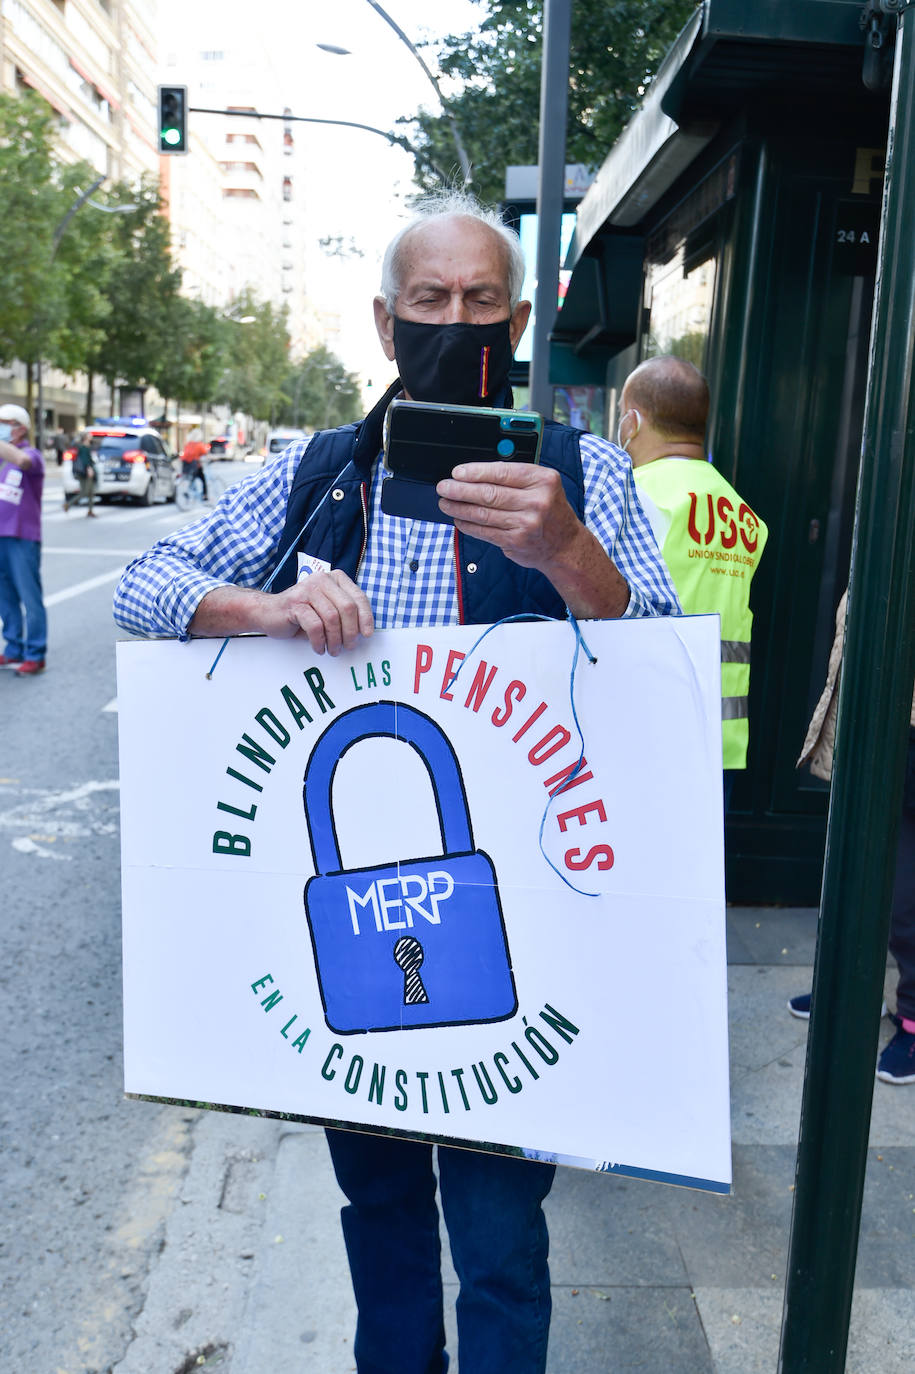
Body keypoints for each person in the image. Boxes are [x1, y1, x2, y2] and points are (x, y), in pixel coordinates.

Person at [114, 190, 681, 1374]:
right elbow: (145, 584)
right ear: (386, 322)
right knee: (378, 1213)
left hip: (515, 933)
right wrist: (263, 608)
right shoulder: (321, 476)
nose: (455, 321)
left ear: (517, 323)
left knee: (500, 1235)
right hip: (350, 926)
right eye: (430, 299)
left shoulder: (582, 476)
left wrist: (568, 554)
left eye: (481, 301)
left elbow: (657, 674)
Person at [620, 355, 768, 801]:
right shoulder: (741, 513)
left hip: (644, 730)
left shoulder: (636, 497)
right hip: (721, 738)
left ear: (632, 423)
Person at [789, 590, 915, 1084]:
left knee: (903, 898)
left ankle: (911, 1018)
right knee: (850, 873)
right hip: (866, 725)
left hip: (906, 736)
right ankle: (848, 992)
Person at [0, 403, 47, 676]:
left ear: (19, 428)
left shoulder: (32, 455)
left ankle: (36, 653)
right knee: (5, 598)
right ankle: (13, 648)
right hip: (1, 536)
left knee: (30, 598)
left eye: (3, 422)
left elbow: (23, 462)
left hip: (23, 537)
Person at [64, 430, 98, 516]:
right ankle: (68, 504)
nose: (91, 436)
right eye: (89, 435)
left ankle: (90, 510)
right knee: (84, 492)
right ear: (85, 437)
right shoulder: (83, 447)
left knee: (91, 492)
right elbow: (85, 460)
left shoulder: (88, 446)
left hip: (87, 471)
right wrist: (89, 468)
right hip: (85, 472)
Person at [180, 428, 209, 501]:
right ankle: (205, 495)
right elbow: (205, 453)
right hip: (196, 466)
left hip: (187, 466)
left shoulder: (188, 444)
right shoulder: (199, 445)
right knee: (203, 480)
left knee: (191, 479)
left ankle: (187, 490)